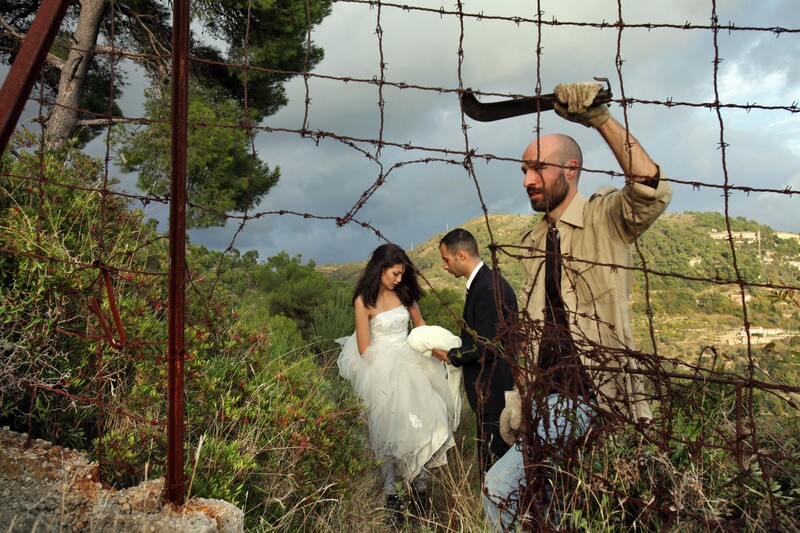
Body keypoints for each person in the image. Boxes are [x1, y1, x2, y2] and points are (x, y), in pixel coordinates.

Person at [483, 81, 673, 530]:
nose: (527, 180)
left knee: (499, 489)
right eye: (523, 171)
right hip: (547, 402)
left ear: (570, 169)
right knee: (560, 511)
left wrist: (599, 119)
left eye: (536, 169)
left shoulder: (604, 217)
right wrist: (519, 401)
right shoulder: (531, 242)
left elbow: (651, 188)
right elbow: (531, 334)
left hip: (600, 399)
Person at [336, 243, 455, 509]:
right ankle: (392, 494)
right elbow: (365, 348)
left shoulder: (405, 293)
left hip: (413, 363)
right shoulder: (363, 301)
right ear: (379, 269)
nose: (399, 279)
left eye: (402, 273)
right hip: (382, 369)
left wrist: (431, 350)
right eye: (395, 274)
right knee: (388, 429)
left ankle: (419, 486)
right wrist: (391, 366)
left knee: (419, 423)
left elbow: (420, 326)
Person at [431, 228, 518, 475]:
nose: (445, 267)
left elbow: (490, 345)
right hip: (492, 389)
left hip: (493, 390)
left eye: (445, 260)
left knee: (497, 465)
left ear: (460, 255)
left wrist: (452, 355)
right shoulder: (485, 283)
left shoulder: (488, 288)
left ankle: (499, 512)